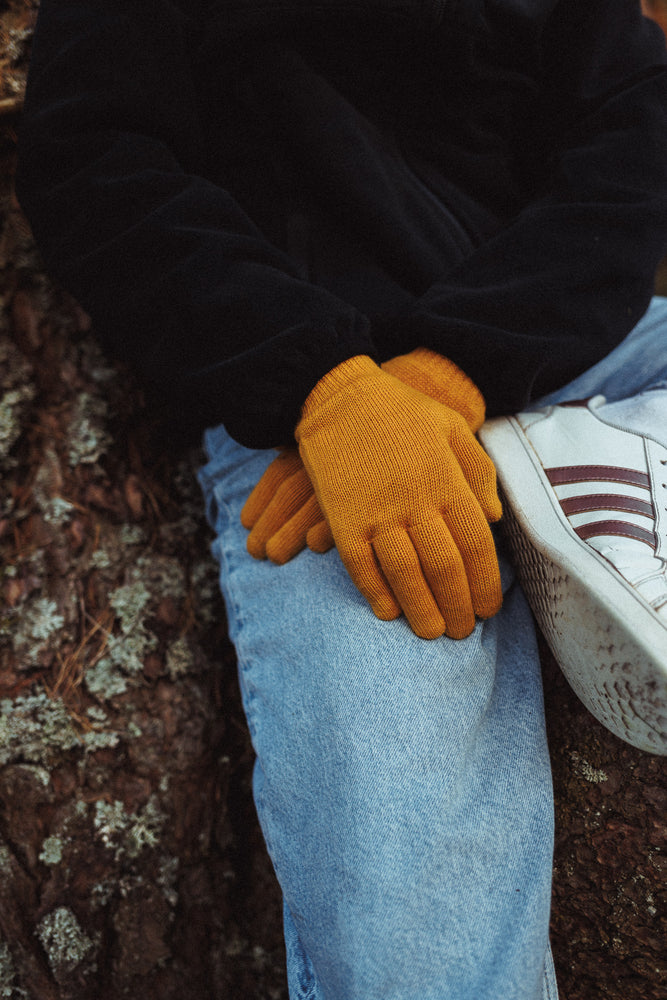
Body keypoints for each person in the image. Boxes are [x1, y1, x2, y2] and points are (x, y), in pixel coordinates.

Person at [15, 1, 667, 997]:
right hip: (320, 427)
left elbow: (632, 133)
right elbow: (96, 163)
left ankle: (568, 481)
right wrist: (321, 385)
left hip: (569, 352)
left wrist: (458, 371)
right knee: (410, 883)